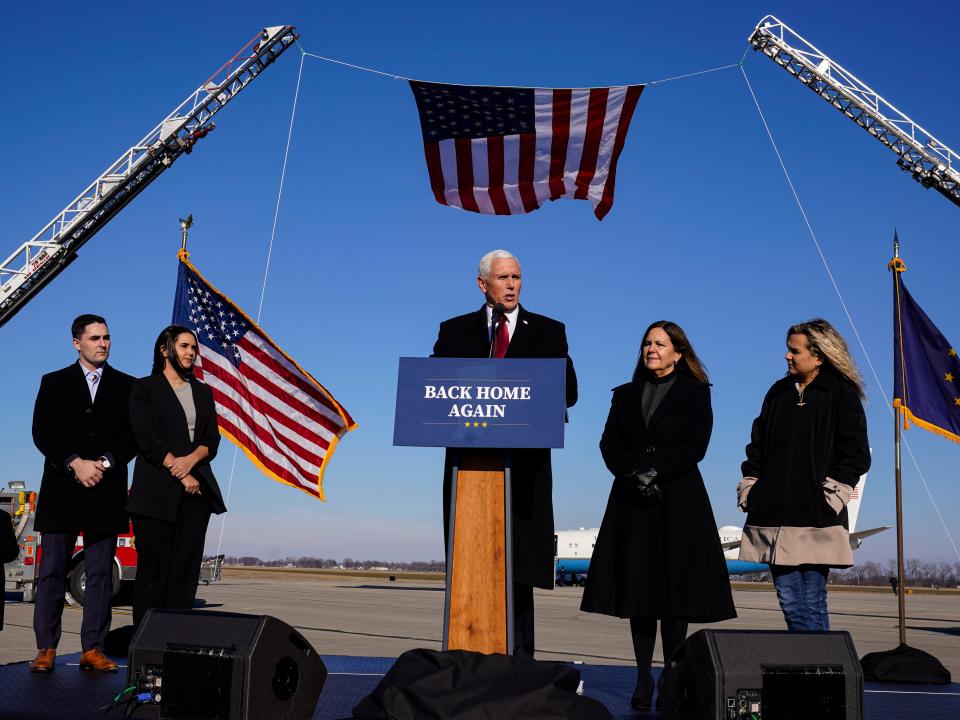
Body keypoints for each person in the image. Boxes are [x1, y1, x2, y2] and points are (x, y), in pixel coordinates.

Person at [581, 321, 735, 710]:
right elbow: (608, 442)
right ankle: (641, 677)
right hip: (632, 499)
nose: (652, 349)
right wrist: (632, 473)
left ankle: (672, 674)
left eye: (660, 344)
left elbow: (695, 444)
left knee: (674, 595)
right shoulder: (625, 394)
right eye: (648, 343)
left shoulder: (696, 393)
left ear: (678, 353)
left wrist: (657, 471)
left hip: (678, 498)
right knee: (640, 591)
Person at [432, 249, 577, 657]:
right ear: (482, 284)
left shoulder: (549, 330)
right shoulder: (455, 330)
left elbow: (568, 392)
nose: (512, 285)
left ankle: (521, 664)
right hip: (470, 470)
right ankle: (464, 660)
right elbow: (432, 389)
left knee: (518, 570)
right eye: (503, 278)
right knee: (470, 565)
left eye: (517, 277)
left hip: (524, 469)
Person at [737, 319, 870, 632]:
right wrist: (751, 488)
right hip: (772, 513)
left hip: (816, 516)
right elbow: (756, 447)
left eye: (794, 351)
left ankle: (818, 673)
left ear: (819, 355)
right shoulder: (777, 392)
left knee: (809, 601)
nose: (787, 356)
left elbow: (856, 454)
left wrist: (832, 497)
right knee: (791, 600)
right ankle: (821, 672)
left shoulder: (840, 393)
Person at [29, 314, 137, 672]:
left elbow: (131, 437)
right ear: (77, 343)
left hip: (105, 492)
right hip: (62, 489)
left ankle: (93, 648)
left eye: (106, 337)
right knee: (52, 573)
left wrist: (103, 464)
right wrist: (75, 462)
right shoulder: (54, 382)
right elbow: (42, 432)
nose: (103, 343)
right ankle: (46, 648)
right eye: (95, 338)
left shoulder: (127, 385)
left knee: (101, 575)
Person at [127, 325, 226, 627]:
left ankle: (177, 639)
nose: (191, 353)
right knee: (152, 574)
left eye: (193, 348)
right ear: (164, 349)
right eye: (184, 346)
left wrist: (192, 460)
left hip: (196, 494)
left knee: (184, 572)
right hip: (155, 493)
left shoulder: (203, 391)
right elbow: (145, 437)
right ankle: (146, 641)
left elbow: (212, 438)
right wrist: (178, 469)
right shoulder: (144, 388)